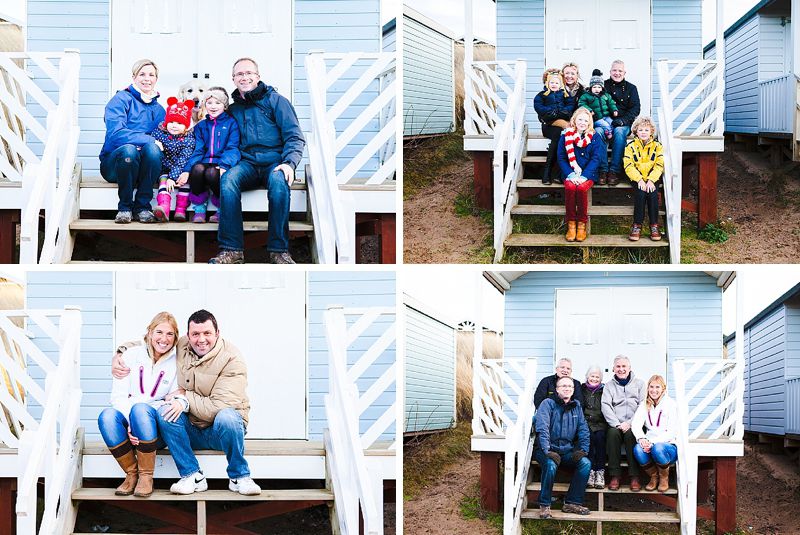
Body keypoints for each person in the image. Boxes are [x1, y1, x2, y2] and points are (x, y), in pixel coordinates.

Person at [113, 309, 261, 496]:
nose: (201, 339)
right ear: (188, 336)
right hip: (191, 430)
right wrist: (120, 353)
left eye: (207, 333)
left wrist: (184, 397)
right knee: (166, 412)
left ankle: (239, 476)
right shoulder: (183, 345)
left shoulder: (232, 359)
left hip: (221, 433)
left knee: (228, 417)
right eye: (195, 334)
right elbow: (157, 342)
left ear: (217, 333)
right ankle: (192, 475)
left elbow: (219, 406)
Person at [208, 57, 305, 264]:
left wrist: (289, 163)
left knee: (279, 182)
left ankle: (279, 251)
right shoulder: (233, 109)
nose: (244, 77)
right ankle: (232, 250)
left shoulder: (276, 101)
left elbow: (294, 137)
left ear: (258, 76)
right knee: (228, 180)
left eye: (249, 73)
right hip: (247, 164)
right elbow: (214, 129)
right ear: (233, 79)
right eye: (239, 74)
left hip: (275, 163)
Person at [97, 312, 180, 498]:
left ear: (175, 337)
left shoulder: (177, 362)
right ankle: (131, 473)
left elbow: (171, 399)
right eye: (159, 332)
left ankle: (146, 476)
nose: (164, 339)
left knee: (141, 410)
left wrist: (139, 418)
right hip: (130, 425)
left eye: (170, 334)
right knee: (107, 417)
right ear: (149, 332)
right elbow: (118, 396)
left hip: (154, 428)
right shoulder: (130, 355)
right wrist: (130, 424)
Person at [99, 59, 165, 224]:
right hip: (115, 165)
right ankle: (125, 208)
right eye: (142, 74)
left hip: (143, 167)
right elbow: (116, 134)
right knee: (129, 150)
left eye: (151, 75)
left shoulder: (159, 110)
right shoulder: (120, 99)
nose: (147, 79)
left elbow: (165, 140)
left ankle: (142, 207)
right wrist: (149, 139)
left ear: (156, 79)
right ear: (134, 77)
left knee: (154, 150)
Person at [533, 376, 592, 519]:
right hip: (545, 450)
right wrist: (547, 450)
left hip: (566, 450)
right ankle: (545, 504)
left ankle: (572, 503)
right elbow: (542, 428)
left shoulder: (576, 406)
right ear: (557, 389)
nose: (567, 388)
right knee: (550, 465)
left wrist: (583, 450)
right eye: (563, 386)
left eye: (570, 386)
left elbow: (583, 429)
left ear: (573, 390)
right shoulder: (548, 404)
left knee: (585, 463)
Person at [181, 87, 241, 223]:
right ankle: (199, 207)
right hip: (205, 160)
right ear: (204, 105)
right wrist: (187, 170)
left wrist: (225, 165)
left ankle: (221, 207)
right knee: (197, 170)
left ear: (225, 106)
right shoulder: (201, 126)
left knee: (212, 173)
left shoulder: (231, 123)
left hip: (221, 162)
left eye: (217, 103)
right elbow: (198, 150)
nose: (213, 106)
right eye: (209, 103)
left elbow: (232, 148)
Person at [557, 107, 605, 242]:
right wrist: (571, 175)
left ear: (589, 122)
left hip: (588, 174)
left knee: (582, 188)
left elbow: (596, 158)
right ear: (574, 120)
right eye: (580, 119)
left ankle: (582, 224)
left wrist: (584, 176)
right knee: (571, 187)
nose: (582, 123)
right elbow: (561, 157)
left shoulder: (595, 137)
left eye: (585, 120)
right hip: (570, 173)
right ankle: (571, 224)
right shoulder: (565, 135)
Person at [601, 355, 647, 491]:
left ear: (629, 368)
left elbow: (643, 405)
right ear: (613, 369)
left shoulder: (640, 384)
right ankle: (615, 475)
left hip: (634, 423)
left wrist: (631, 423)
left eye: (624, 366)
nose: (621, 369)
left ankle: (634, 476)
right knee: (612, 434)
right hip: (616, 423)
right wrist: (616, 423)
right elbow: (606, 405)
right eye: (618, 366)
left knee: (631, 435)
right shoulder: (609, 386)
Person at [149, 98, 196, 222]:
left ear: (186, 126)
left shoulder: (189, 139)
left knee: (185, 183)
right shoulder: (159, 133)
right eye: (171, 122)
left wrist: (173, 177)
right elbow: (150, 143)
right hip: (164, 169)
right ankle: (164, 208)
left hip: (181, 170)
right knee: (163, 183)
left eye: (179, 123)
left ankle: (180, 210)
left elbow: (183, 159)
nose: (174, 125)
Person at [631, 375, 678, 492]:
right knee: (638, 449)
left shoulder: (671, 404)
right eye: (651, 387)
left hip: (668, 447)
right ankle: (654, 476)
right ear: (648, 388)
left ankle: (664, 477)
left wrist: (652, 442)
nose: (654, 390)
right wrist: (641, 439)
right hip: (649, 444)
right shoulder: (644, 404)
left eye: (657, 387)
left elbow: (672, 432)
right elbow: (636, 424)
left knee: (658, 448)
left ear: (663, 389)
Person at [624, 116, 664, 242]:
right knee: (640, 194)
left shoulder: (657, 146)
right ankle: (637, 225)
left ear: (651, 131)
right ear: (636, 131)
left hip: (652, 178)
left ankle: (654, 225)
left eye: (646, 130)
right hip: (637, 178)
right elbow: (628, 165)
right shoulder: (630, 146)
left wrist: (651, 180)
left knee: (652, 194)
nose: (643, 132)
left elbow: (659, 165)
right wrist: (639, 179)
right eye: (640, 130)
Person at [603, 60, 641, 186]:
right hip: (605, 122)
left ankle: (614, 171)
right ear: (610, 72)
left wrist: (623, 120)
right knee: (597, 132)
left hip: (624, 123)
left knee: (619, 132)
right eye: (614, 70)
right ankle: (602, 170)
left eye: (620, 71)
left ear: (624, 73)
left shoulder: (631, 88)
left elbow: (636, 108)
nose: (617, 73)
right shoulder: (603, 85)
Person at [533, 69, 572, 185]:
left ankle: (557, 173)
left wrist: (562, 112)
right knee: (558, 134)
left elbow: (570, 105)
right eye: (552, 82)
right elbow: (539, 107)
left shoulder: (565, 95)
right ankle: (548, 171)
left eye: (556, 83)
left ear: (561, 84)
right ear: (547, 83)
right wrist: (551, 112)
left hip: (560, 127)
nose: (554, 85)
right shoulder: (542, 95)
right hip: (548, 126)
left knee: (560, 137)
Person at [581, 365, 607, 489]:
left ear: (601, 379)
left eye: (597, 377)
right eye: (592, 376)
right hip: (586, 423)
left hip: (601, 423)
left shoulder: (604, 390)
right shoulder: (581, 389)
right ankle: (590, 472)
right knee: (589, 439)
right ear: (587, 377)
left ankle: (600, 472)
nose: (594, 379)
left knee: (600, 439)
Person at [578, 70, 617, 141]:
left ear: (602, 88)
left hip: (606, 116)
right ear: (591, 87)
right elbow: (582, 104)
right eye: (594, 87)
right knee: (605, 125)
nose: (597, 89)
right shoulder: (586, 96)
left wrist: (614, 110)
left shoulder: (605, 95)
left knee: (612, 123)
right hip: (596, 118)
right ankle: (609, 136)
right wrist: (589, 110)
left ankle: (610, 134)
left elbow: (611, 103)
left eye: (599, 87)